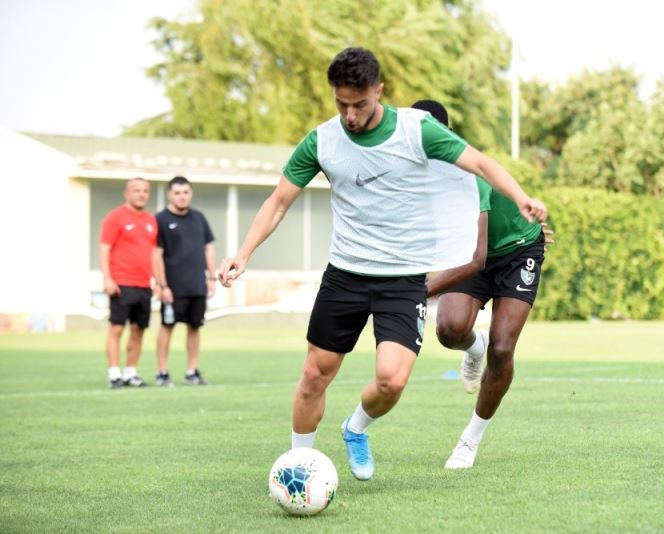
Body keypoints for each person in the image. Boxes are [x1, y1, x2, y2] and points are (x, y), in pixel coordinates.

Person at [219, 47, 547, 482]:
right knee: (315, 374)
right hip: (346, 273)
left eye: (359, 104)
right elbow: (279, 201)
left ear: (379, 91)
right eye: (342, 104)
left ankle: (355, 428)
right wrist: (243, 253)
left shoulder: (417, 131)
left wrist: (521, 197)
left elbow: (481, 163)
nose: (350, 116)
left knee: (392, 381)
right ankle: (299, 466)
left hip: (401, 277)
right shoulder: (322, 141)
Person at [422, 100, 551, 470]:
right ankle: (473, 347)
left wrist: (417, 291)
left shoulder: (464, 169)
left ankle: (470, 440)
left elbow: (477, 259)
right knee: (449, 330)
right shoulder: (414, 172)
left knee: (503, 346)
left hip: (515, 250)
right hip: (468, 251)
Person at [153, 176, 217, 387]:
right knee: (167, 327)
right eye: (177, 193)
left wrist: (211, 277)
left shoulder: (199, 218)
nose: (182, 196)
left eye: (185, 192)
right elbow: (156, 254)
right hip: (172, 288)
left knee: (194, 327)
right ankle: (162, 372)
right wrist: (162, 285)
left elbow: (209, 248)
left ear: (191, 194)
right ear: (170, 195)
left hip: (197, 285)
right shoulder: (160, 220)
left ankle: (192, 371)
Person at [99, 177, 158, 389]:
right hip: (121, 283)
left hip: (144, 285)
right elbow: (104, 249)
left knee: (138, 330)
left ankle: (130, 373)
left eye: (145, 191)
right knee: (116, 329)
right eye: (136, 190)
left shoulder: (151, 221)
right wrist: (107, 278)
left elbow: (153, 254)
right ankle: (114, 374)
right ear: (127, 193)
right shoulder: (115, 217)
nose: (141, 194)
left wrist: (158, 281)